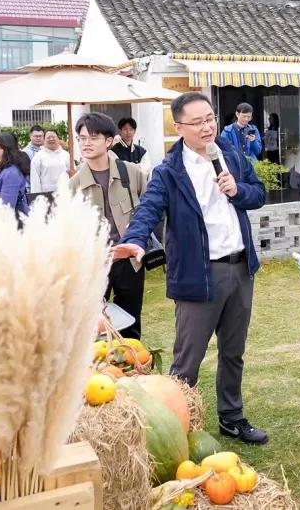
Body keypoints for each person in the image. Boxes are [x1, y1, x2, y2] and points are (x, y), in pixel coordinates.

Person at [111, 92, 269, 444]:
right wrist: (136, 240)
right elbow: (148, 209)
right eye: (197, 122)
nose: (207, 127)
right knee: (187, 359)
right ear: (179, 127)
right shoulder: (169, 171)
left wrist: (237, 189)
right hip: (200, 274)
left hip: (240, 268)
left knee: (234, 351)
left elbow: (258, 194)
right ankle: (175, 427)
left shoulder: (230, 154)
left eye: (210, 118)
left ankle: (231, 417)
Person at [69, 113, 149, 340]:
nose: (86, 143)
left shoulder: (131, 173)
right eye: (81, 138)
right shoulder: (72, 186)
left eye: (93, 137)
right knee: (94, 324)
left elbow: (152, 209)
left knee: (132, 322)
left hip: (129, 259)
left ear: (109, 140)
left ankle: (136, 367)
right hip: (94, 262)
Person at [0, 132, 30, 217]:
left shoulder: (11, 173)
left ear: (4, 148)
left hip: (13, 225)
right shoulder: (1, 169)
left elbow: (6, 209)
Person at [30, 129, 71, 194]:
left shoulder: (66, 155)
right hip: (46, 194)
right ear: (44, 140)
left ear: (58, 138)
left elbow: (73, 174)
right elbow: (35, 180)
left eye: (53, 137)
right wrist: (37, 197)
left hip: (65, 192)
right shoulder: (38, 157)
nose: (51, 139)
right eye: (48, 137)